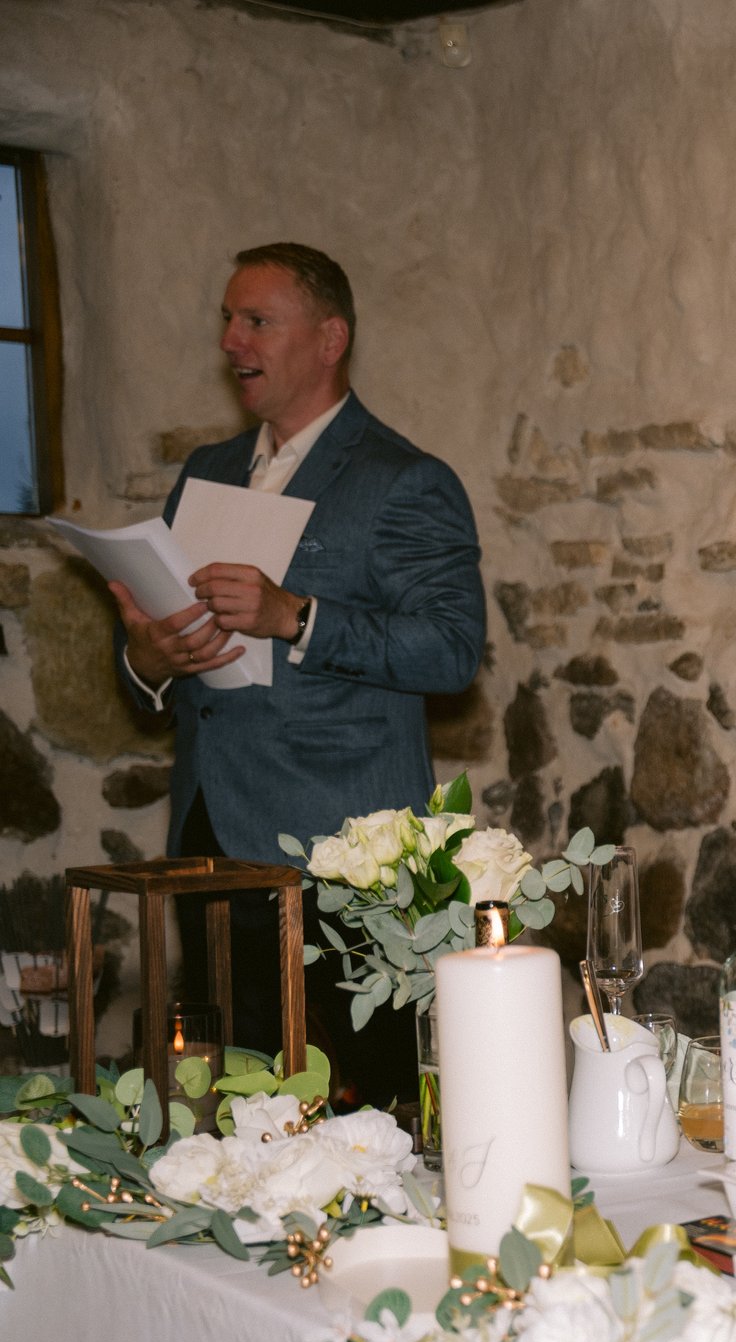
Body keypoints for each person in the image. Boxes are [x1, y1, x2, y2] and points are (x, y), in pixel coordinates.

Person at [110, 243, 487, 1108]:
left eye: (257, 321)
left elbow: (451, 647)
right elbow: (155, 658)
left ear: (329, 339)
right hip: (212, 838)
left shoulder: (405, 480)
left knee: (360, 1113)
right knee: (230, 1110)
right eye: (227, 320)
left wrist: (297, 618)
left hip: (340, 857)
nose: (232, 341)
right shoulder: (205, 471)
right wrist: (149, 659)